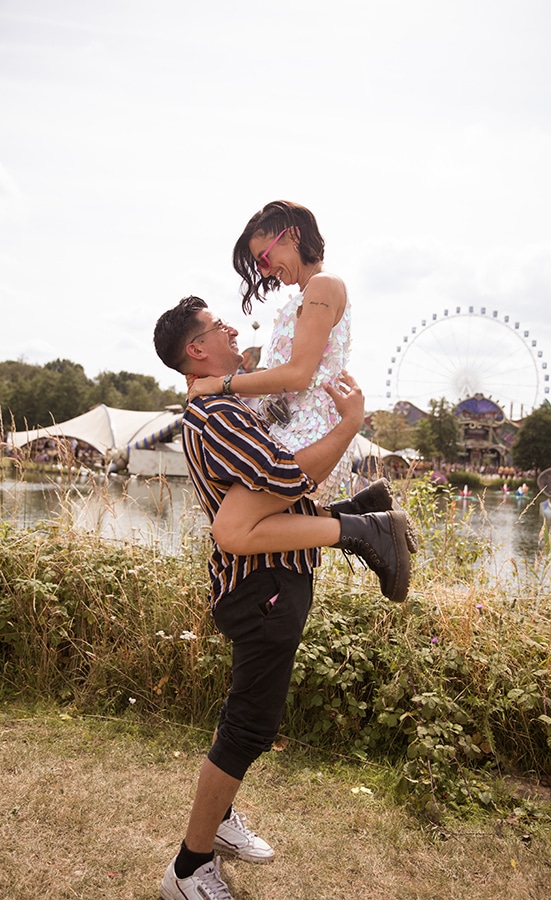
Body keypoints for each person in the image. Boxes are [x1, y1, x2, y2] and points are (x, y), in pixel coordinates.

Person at [153, 295, 412, 900]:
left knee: (249, 722)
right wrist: (349, 425)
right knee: (248, 727)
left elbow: (280, 495)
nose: (233, 327)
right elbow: (284, 476)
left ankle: (217, 822)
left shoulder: (227, 403)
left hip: (273, 580)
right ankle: (188, 869)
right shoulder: (214, 414)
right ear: (197, 351)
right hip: (258, 587)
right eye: (220, 326)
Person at [187, 200, 417, 556]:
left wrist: (221, 384)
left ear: (291, 236)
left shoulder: (324, 286)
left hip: (310, 431)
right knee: (249, 521)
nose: (264, 271)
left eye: (264, 258)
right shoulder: (308, 295)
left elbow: (297, 375)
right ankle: (359, 512)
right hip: (290, 428)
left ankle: (374, 528)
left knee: (232, 530)